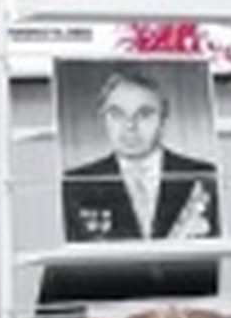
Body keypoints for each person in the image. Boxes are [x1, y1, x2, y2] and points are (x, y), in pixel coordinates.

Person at [62, 66, 220, 243]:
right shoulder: (72, 185)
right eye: (116, 114)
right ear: (103, 117)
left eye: (144, 114)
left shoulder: (206, 177)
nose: (130, 126)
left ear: (163, 117)